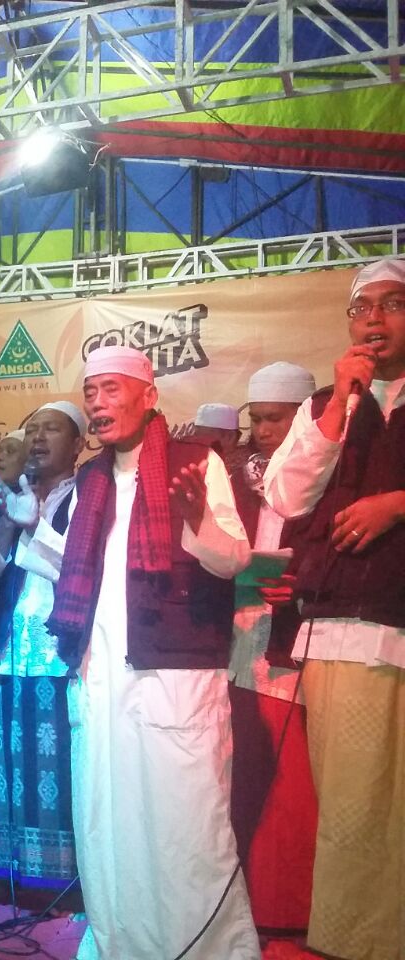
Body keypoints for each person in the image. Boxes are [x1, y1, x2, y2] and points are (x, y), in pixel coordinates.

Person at [46, 345, 257, 960]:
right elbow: (78, 573)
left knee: (187, 821)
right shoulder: (89, 481)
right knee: (107, 817)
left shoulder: (197, 463)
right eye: (91, 392)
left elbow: (233, 560)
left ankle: (207, 950)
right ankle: (117, 943)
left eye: (112, 390)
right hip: (100, 671)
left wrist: (196, 520)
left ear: (149, 396)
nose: (98, 403)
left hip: (175, 673)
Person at [263, 257, 405, 960]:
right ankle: (362, 946)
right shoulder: (329, 402)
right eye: (360, 308)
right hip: (346, 629)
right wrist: (333, 410)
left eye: (392, 304)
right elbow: (286, 496)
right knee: (354, 811)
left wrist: (398, 503)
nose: (373, 320)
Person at [0, 401, 86, 911]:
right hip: (5, 655)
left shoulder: (89, 495)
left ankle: (70, 886)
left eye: (51, 429)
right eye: (32, 428)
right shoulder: (7, 498)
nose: (38, 437)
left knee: (63, 773)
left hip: (61, 658)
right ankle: (6, 876)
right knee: (4, 773)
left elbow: (79, 569)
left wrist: (35, 525)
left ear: (78, 444)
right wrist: (10, 524)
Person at [226, 362, 319, 934]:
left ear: (304, 418)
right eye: (256, 419)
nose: (262, 431)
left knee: (295, 776)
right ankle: (248, 905)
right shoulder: (237, 476)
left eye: (276, 419)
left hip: (299, 640)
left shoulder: (329, 471)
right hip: (240, 638)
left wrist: (301, 583)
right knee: (245, 769)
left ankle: (292, 908)